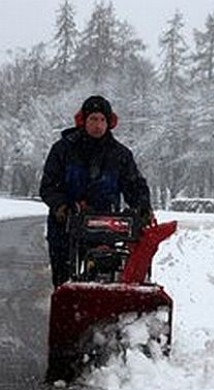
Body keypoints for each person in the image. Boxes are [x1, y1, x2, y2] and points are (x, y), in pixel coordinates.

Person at [39, 95, 154, 287]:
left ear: (109, 123)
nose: (98, 125)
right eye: (93, 119)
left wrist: (142, 206)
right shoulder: (63, 150)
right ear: (83, 120)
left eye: (102, 120)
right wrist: (62, 206)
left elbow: (134, 185)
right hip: (66, 225)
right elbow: (48, 186)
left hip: (105, 224)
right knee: (64, 279)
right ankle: (67, 305)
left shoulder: (120, 155)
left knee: (107, 269)